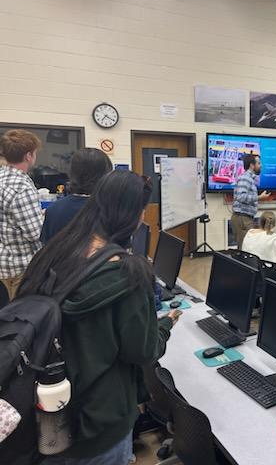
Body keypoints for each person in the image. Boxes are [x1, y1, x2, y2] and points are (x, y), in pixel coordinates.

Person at [17, 171, 180, 464]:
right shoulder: (128, 273)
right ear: (135, 216)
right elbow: (142, 351)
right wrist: (164, 325)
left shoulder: (56, 252)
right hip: (101, 423)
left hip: (50, 415)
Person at [0, 129, 44, 300]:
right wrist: (42, 218)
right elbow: (35, 233)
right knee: (21, 313)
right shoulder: (21, 187)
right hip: (20, 268)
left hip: (3, 264)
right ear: (28, 156)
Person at [40, 148, 113, 244]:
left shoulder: (53, 210)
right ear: (106, 175)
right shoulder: (111, 211)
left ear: (72, 173)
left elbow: (47, 247)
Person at [231, 154, 270, 250]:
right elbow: (240, 197)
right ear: (252, 165)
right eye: (259, 163)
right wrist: (259, 197)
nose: (261, 166)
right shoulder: (245, 178)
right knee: (245, 249)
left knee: (247, 248)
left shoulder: (249, 178)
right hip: (242, 218)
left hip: (245, 218)